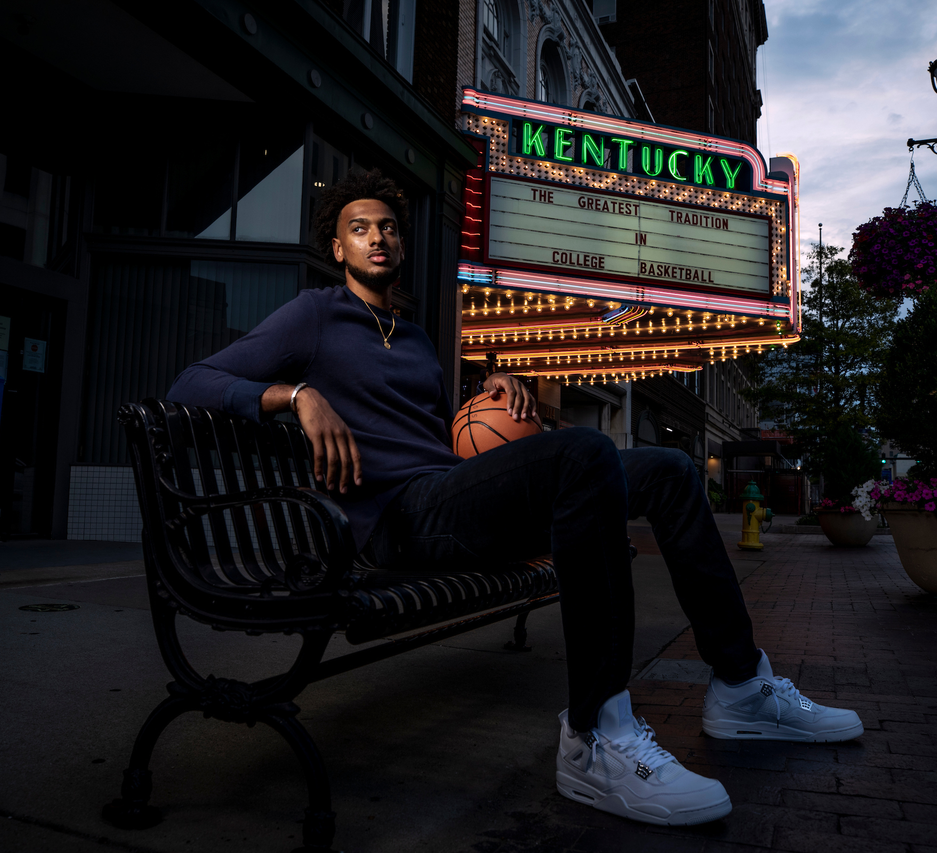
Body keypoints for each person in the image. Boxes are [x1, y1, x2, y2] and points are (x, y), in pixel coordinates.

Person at [167, 170, 863, 828]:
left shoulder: (411, 338)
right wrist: (294, 394)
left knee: (670, 470)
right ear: (336, 245)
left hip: (445, 503)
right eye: (359, 228)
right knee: (585, 451)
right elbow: (191, 383)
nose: (377, 237)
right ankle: (596, 735)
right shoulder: (313, 317)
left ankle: (741, 685)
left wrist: (487, 395)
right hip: (394, 525)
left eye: (388, 227)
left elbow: (437, 442)